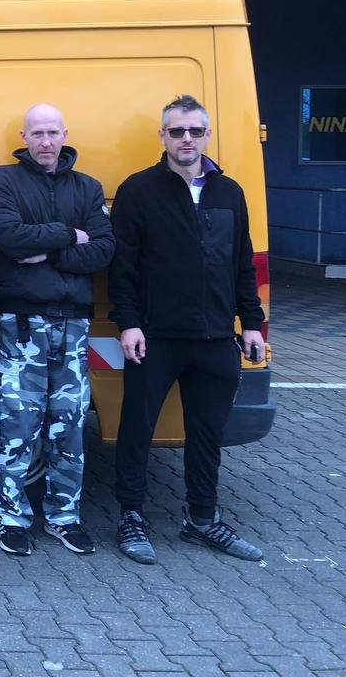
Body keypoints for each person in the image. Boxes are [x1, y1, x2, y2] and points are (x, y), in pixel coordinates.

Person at [109, 94, 266, 564]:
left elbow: (242, 263)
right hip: (155, 336)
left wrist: (251, 323)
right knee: (136, 428)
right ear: (162, 136)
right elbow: (123, 268)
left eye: (195, 131)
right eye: (177, 131)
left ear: (207, 135)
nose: (186, 139)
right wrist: (128, 323)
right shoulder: (138, 190)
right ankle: (131, 517)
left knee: (206, 434)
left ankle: (202, 519)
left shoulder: (229, 192)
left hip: (216, 337)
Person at [0, 103, 115, 556]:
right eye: (37, 133)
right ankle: (11, 519)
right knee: (17, 423)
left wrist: (51, 252)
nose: (45, 141)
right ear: (23, 137)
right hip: (22, 324)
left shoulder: (88, 187)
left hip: (74, 323)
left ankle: (64, 518)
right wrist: (71, 234)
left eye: (52, 133)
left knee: (69, 425)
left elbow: (104, 251)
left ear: (64, 134)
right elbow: (10, 238)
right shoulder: (3, 180)